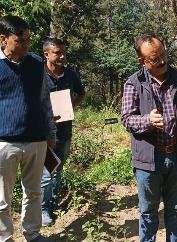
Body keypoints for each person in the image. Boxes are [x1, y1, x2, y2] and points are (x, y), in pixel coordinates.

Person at [121, 33, 177, 242]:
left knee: (175, 209)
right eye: (155, 59)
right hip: (148, 161)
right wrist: (147, 121)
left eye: (164, 54)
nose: (163, 61)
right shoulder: (133, 83)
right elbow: (127, 119)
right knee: (148, 212)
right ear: (142, 61)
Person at [0, 15, 56, 242]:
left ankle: (33, 234)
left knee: (33, 192)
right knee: (2, 198)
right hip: (5, 142)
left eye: (28, 40)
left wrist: (50, 132)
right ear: (3, 39)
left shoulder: (35, 63)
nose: (26, 45)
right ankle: (5, 237)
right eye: (20, 41)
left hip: (36, 139)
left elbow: (45, 100)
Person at [40, 37, 85, 226]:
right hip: (43, 133)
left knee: (57, 170)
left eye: (63, 52)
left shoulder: (70, 75)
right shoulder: (37, 74)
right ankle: (42, 210)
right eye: (58, 53)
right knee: (45, 173)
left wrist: (71, 107)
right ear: (46, 54)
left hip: (64, 131)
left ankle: (52, 203)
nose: (62, 56)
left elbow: (81, 92)